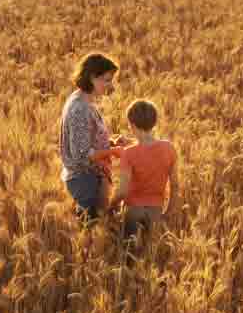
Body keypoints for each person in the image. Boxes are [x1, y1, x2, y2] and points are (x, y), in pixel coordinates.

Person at [60, 52, 122, 222]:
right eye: (107, 80)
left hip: (90, 179)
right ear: (93, 77)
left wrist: (111, 142)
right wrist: (113, 152)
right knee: (91, 233)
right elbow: (82, 154)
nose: (110, 86)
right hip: (85, 183)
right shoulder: (80, 108)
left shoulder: (84, 100)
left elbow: (88, 139)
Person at [110, 99, 179, 243]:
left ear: (132, 125)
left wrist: (111, 207)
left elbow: (122, 191)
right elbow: (175, 185)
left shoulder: (128, 154)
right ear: (154, 122)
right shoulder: (169, 149)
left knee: (129, 254)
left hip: (133, 211)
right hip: (156, 210)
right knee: (150, 256)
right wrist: (168, 212)